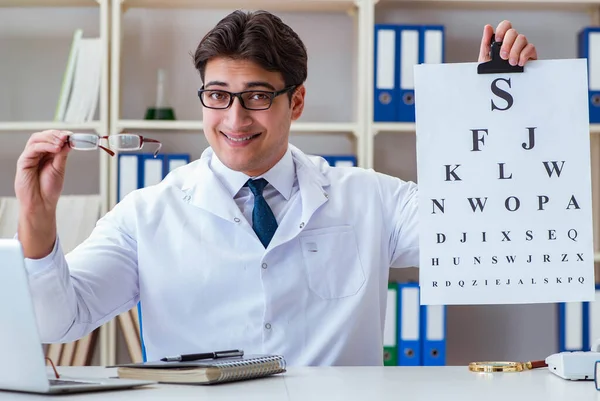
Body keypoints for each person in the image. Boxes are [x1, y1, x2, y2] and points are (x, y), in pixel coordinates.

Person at [14, 11, 538, 366]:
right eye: (217, 95)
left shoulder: (372, 198)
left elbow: (488, 226)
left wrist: (496, 106)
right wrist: (37, 220)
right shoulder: (146, 215)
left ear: (298, 101)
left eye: (257, 96)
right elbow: (58, 321)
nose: (234, 118)